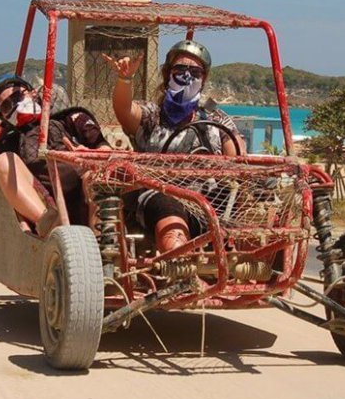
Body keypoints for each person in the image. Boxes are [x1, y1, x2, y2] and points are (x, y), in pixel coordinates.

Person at [103, 40, 244, 253]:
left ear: (204, 77)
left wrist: (238, 157)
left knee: (249, 201)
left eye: (195, 71)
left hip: (208, 197)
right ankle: (180, 267)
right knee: (169, 208)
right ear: (168, 73)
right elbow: (124, 109)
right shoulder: (152, 116)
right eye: (180, 69)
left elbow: (236, 149)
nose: (187, 76)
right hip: (160, 195)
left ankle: (254, 266)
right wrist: (125, 78)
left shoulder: (215, 118)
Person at [0, 74, 110, 235]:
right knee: (3, 160)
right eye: (6, 106)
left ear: (33, 93)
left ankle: (100, 243)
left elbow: (106, 151)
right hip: (50, 208)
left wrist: (90, 156)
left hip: (88, 199)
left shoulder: (71, 119)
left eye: (17, 96)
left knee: (95, 173)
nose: (14, 106)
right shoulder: (11, 142)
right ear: (4, 117)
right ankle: (50, 224)